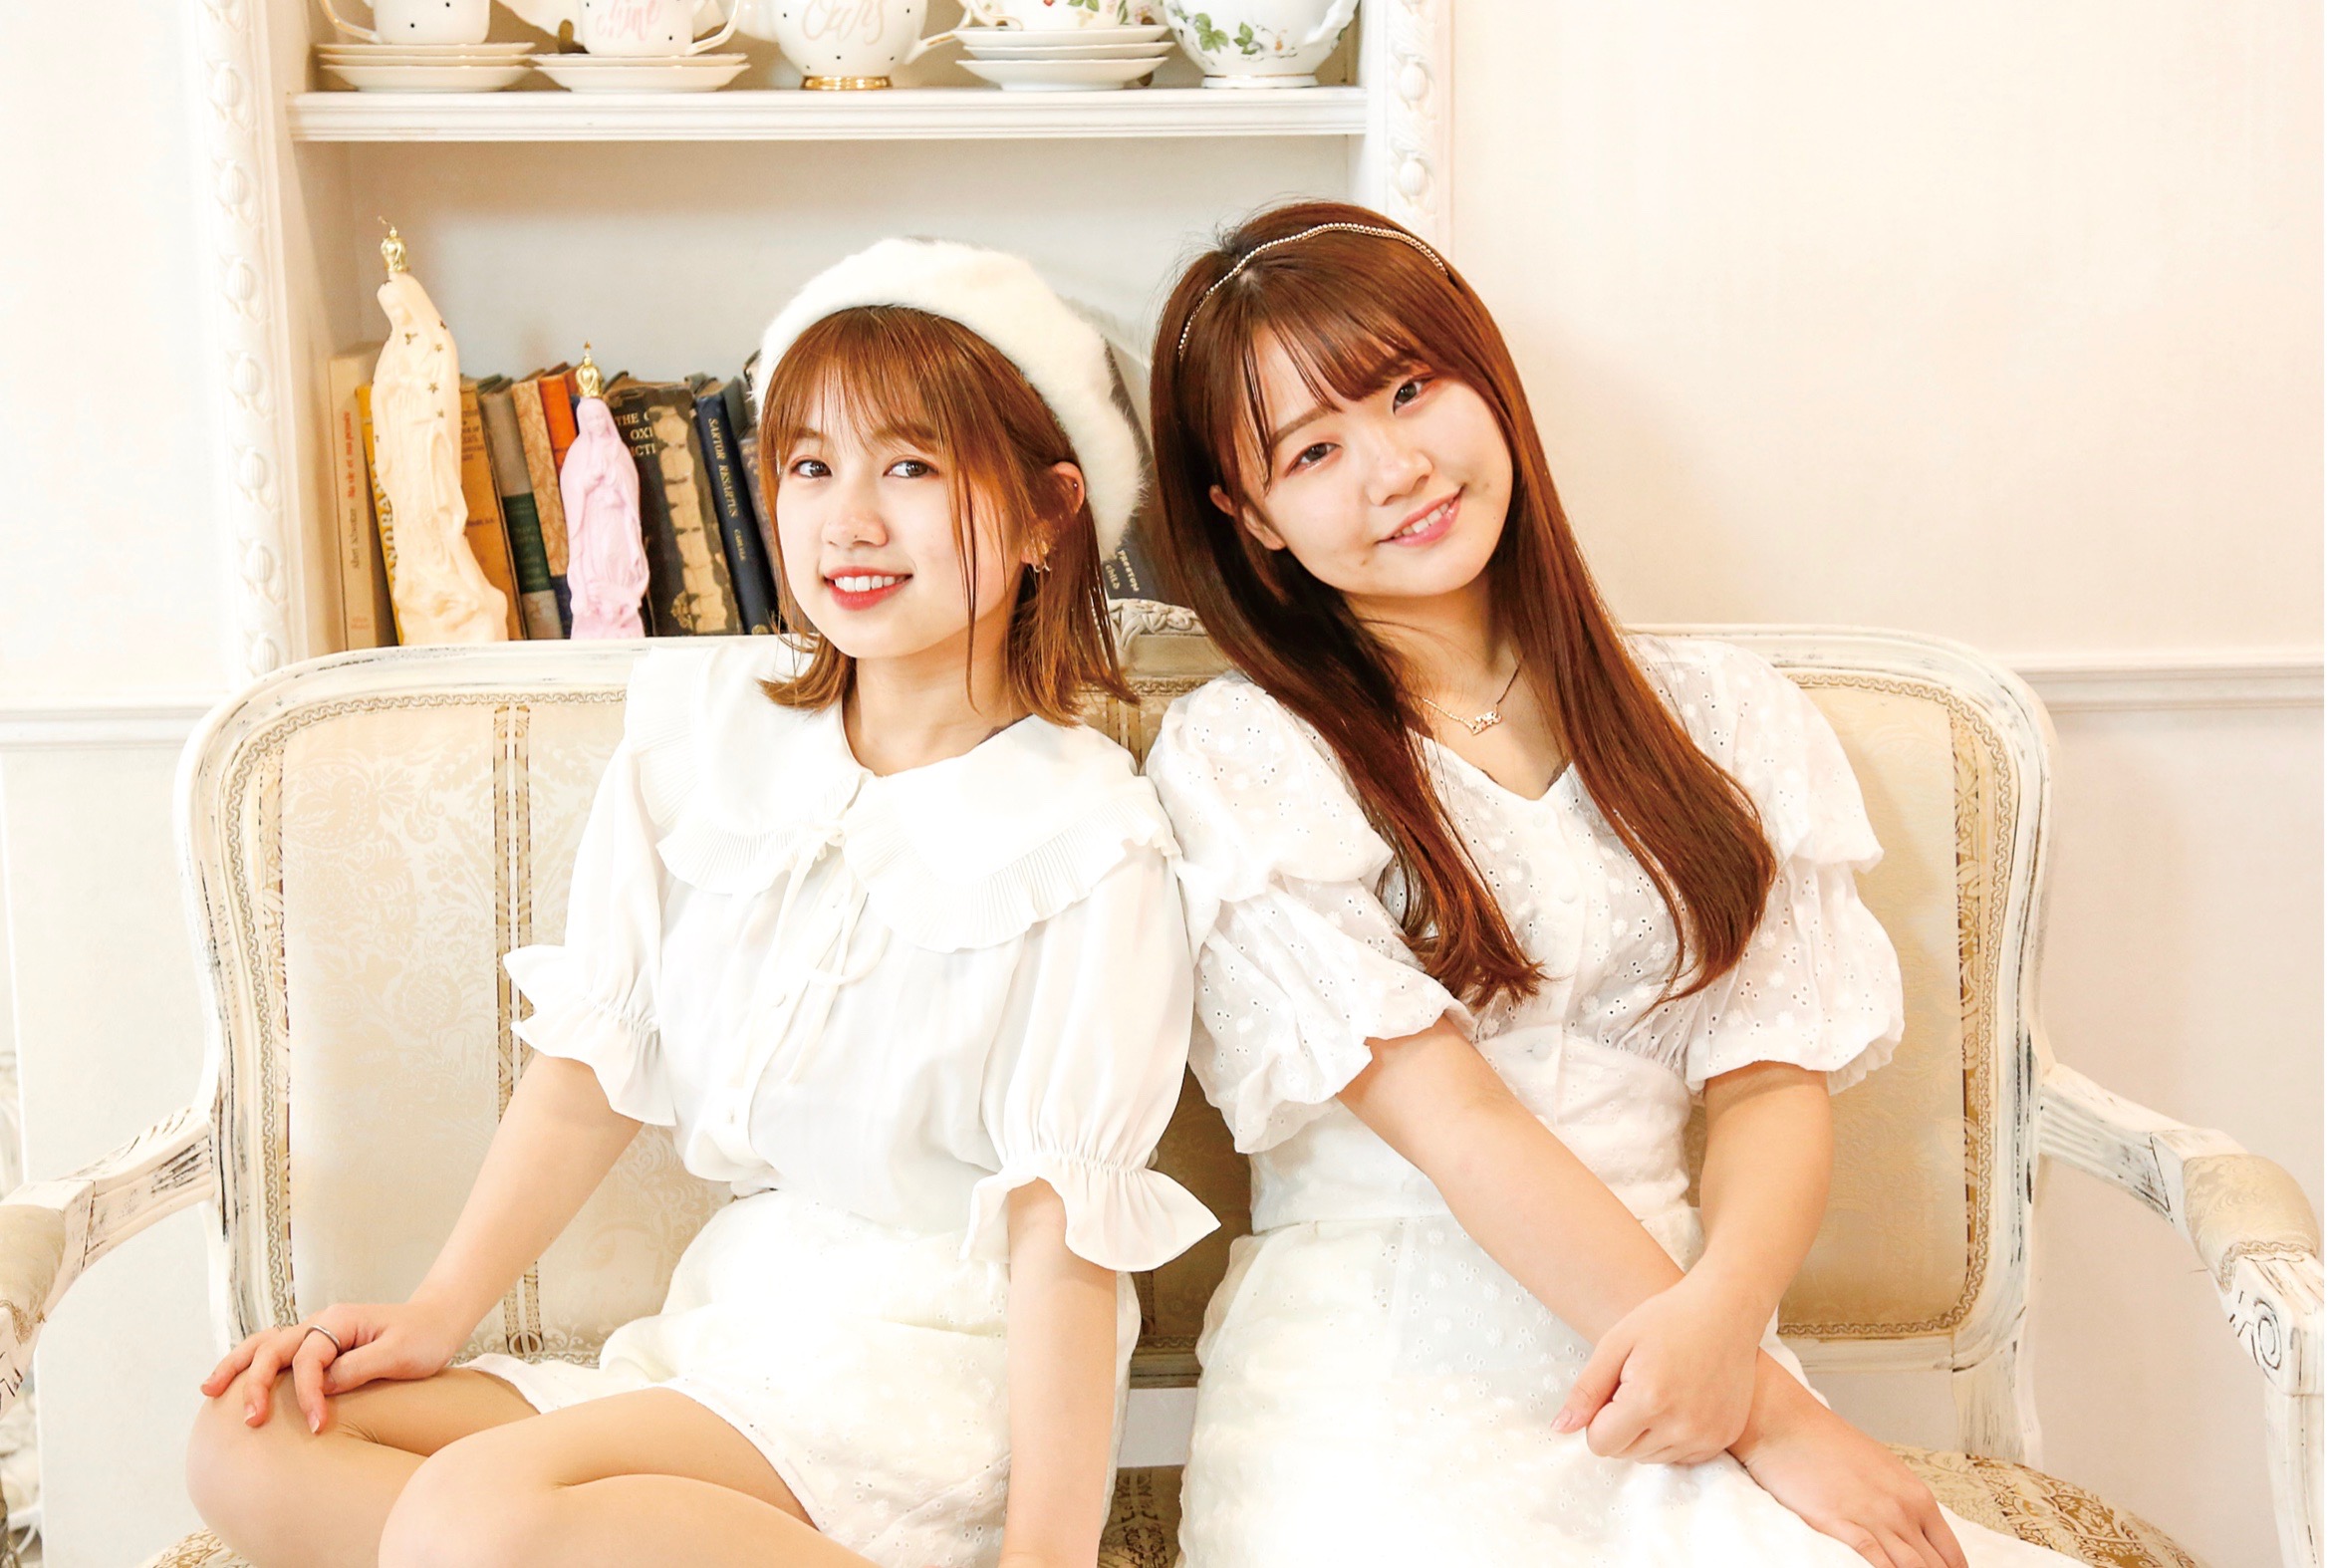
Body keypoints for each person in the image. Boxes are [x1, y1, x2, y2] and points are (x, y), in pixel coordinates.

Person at [185, 237, 1216, 1568]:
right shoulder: (704, 746)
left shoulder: (1089, 843)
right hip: (721, 1333)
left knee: (477, 1516)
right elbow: (591, 1073)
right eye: (811, 466)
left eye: (911, 467)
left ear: (1045, 513)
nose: (849, 521)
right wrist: (438, 1313)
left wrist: (1045, 1554)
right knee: (252, 1433)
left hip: (920, 1368)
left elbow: (1064, 1234)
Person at [1142, 200, 2073, 1568]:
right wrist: (1776, 1420)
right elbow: (1457, 1122)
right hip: (1380, 1376)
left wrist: (1728, 1335)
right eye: (1315, 449)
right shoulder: (1246, 755)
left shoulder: (1723, 717)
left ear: (1490, 384)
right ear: (1252, 518)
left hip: (1688, 1334)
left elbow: (1766, 1079)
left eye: (1409, 390)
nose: (1396, 466)